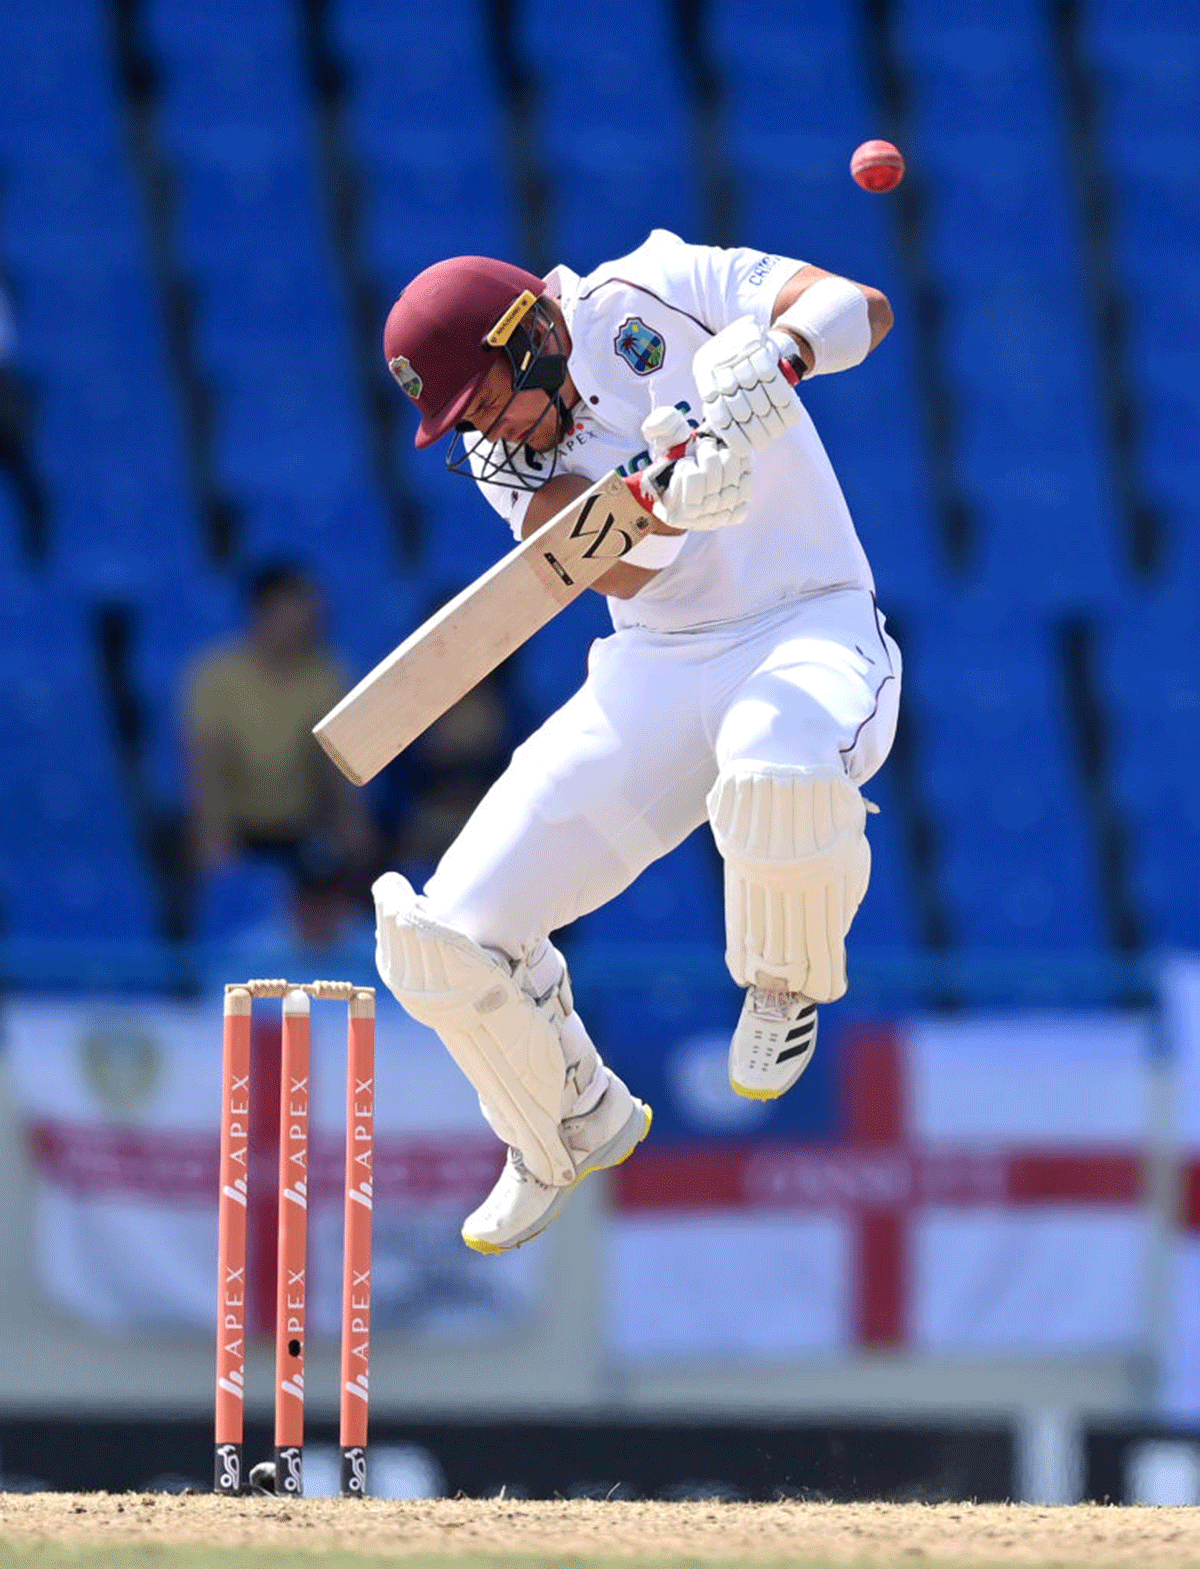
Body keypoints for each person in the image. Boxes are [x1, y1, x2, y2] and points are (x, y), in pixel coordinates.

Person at [372, 228, 901, 1254]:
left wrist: (779, 355)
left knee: (775, 770)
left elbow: (864, 305)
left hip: (811, 623)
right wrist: (667, 502)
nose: (495, 437)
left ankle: (785, 979)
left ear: (528, 337)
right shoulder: (506, 457)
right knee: (440, 939)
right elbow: (618, 574)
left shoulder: (656, 288)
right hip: (657, 670)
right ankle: (563, 1122)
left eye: (487, 402)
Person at [185, 560, 373, 877]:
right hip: (238, 829)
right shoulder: (216, 677)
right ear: (264, 613)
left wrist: (351, 830)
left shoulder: (325, 675)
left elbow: (336, 767)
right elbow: (206, 771)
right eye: (295, 611)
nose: (307, 622)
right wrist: (214, 842)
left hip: (304, 830)